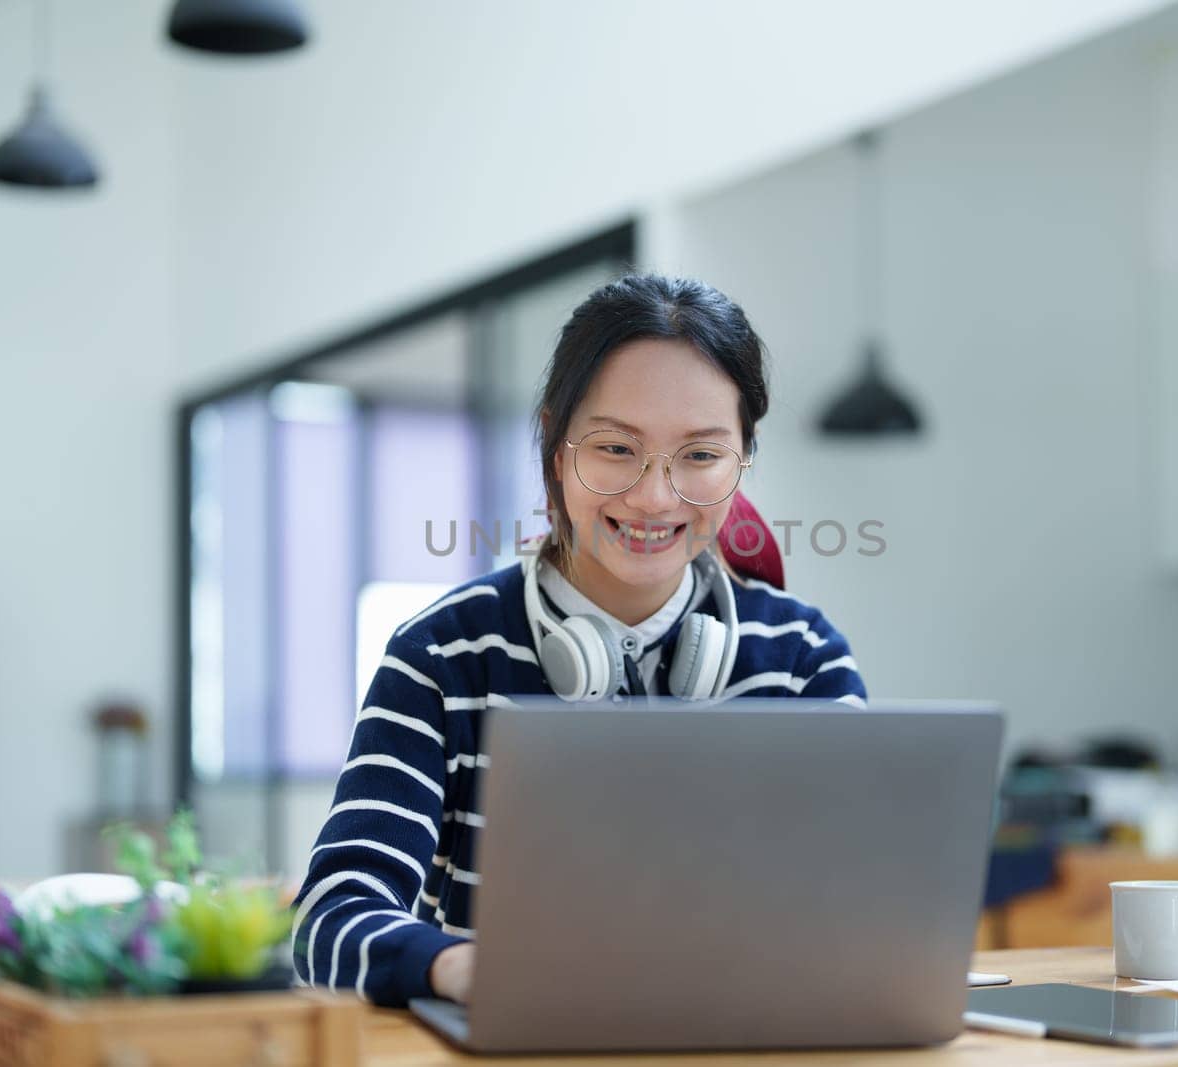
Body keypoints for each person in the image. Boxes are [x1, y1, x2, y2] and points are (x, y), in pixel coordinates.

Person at [291, 273, 867, 1006]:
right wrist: (461, 966)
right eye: (616, 448)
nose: (656, 497)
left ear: (743, 459)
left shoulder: (803, 662)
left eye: (700, 455)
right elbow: (329, 921)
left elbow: (858, 918)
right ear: (555, 447)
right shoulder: (442, 657)